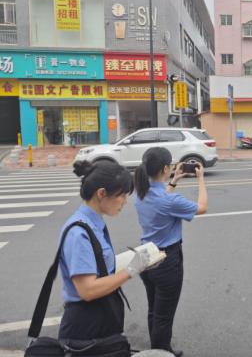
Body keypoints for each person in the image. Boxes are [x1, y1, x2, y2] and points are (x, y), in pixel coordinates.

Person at [58, 160, 149, 341]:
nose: (125, 201)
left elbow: (98, 265)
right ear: (101, 193)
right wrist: (131, 270)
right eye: (122, 195)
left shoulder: (92, 224)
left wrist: (135, 263)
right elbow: (88, 290)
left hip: (100, 315)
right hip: (86, 325)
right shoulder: (79, 233)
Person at [134, 147, 208, 356]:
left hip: (146, 256)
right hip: (166, 260)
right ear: (166, 168)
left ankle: (156, 348)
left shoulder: (140, 191)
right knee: (164, 315)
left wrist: (174, 181)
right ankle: (161, 352)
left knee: (153, 308)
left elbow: (162, 200)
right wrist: (201, 179)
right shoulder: (169, 201)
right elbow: (202, 207)